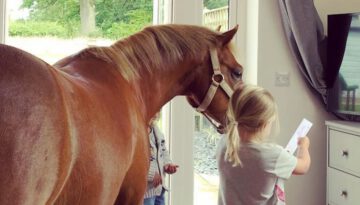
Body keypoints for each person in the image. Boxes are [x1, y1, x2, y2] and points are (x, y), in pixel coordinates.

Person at [217, 85, 311, 205]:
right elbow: (304, 166)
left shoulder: (224, 143)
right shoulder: (273, 155)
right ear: (264, 124)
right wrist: (304, 145)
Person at [144, 112, 179, 205]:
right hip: (146, 193)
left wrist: (168, 164)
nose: (156, 113)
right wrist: (151, 174)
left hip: (160, 189)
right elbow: (136, 162)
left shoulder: (156, 130)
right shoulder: (138, 133)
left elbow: (163, 151)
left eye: (158, 110)